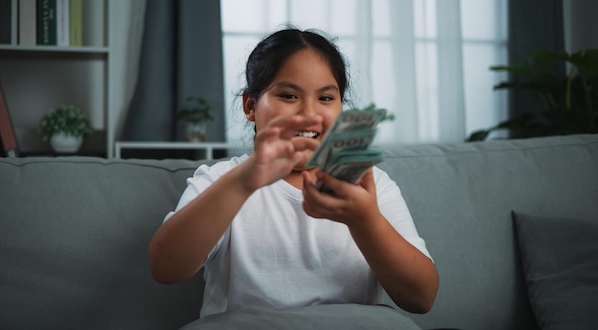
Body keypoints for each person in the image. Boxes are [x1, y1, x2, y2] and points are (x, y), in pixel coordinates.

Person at [148, 28, 439, 318]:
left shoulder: (370, 185)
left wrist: (364, 220)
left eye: (326, 98)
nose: (309, 113)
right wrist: (243, 183)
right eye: (289, 95)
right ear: (250, 106)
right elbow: (166, 268)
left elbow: (421, 298)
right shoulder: (221, 181)